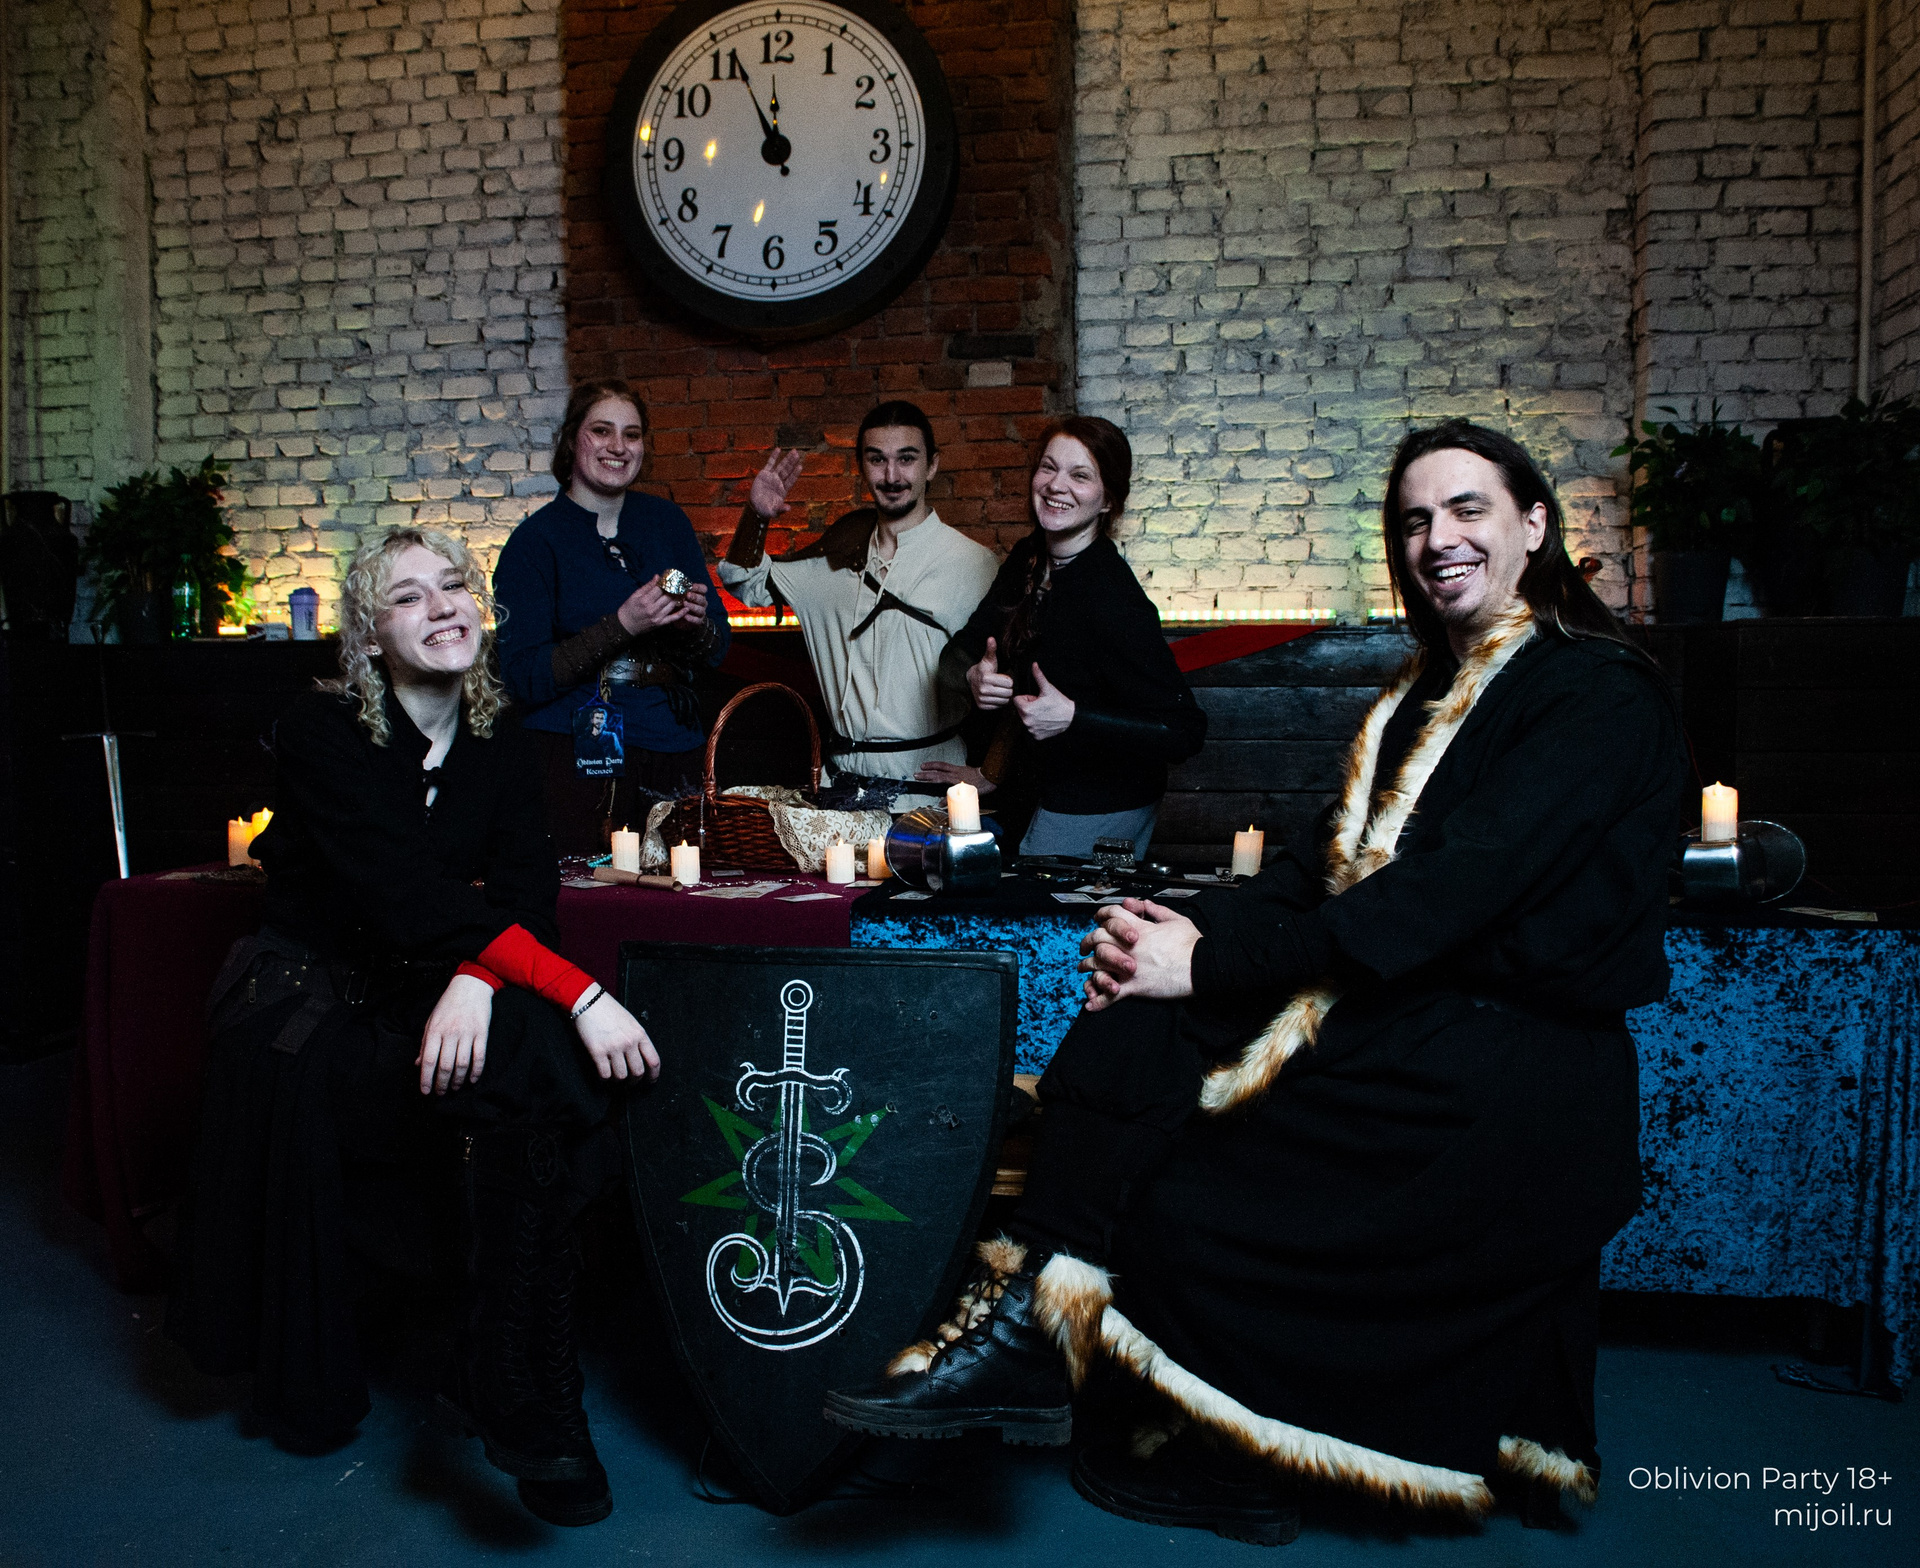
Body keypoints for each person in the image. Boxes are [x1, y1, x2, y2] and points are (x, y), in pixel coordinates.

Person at [825, 422, 1689, 1545]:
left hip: (1507, 1059)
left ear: (1535, 524)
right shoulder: (1430, 689)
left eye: (1468, 509)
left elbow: (1437, 902)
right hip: (1421, 1012)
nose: (1437, 538)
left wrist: (1210, 965)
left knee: (1184, 1152)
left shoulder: (1595, 693)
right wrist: (1181, 935)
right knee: (1133, 1021)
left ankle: (1196, 1435)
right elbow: (1322, 866)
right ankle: (1030, 1327)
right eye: (1415, 520)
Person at [169, 527, 659, 1529]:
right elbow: (401, 896)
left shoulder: (500, 734)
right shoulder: (320, 729)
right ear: (368, 637)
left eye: (453, 585)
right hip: (311, 1006)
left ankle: (514, 1371)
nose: (441, 606)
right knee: (552, 1043)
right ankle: (511, 1376)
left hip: (422, 985)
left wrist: (479, 976)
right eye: (407, 596)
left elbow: (525, 897)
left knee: (534, 1057)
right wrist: (579, 992)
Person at [938, 416, 1206, 859]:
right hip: (1034, 790)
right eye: (1048, 467)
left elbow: (1185, 731)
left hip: (1101, 804)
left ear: (1107, 501)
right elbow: (960, 653)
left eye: (1080, 475)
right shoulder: (1028, 557)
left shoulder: (1113, 597)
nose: (1056, 485)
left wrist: (1073, 717)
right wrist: (972, 678)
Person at [715, 401, 997, 807]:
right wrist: (756, 516)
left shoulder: (975, 565)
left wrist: (992, 772)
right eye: (877, 459)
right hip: (843, 792)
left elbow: (1017, 677)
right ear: (862, 467)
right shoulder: (832, 561)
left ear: (932, 466)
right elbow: (745, 581)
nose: (892, 476)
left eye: (907, 459)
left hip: (932, 790)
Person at [493, 380, 730, 854]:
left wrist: (694, 624)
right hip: (573, 752)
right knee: (587, 882)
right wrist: (623, 625)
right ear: (572, 439)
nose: (618, 446)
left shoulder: (666, 523)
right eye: (602, 430)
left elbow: (718, 647)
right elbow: (521, 677)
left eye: (632, 434)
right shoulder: (534, 541)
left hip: (671, 741)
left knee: (684, 883)